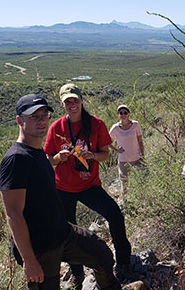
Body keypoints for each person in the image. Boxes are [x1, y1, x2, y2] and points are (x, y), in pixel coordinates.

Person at [0, 93, 122, 290]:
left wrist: (57, 158)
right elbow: (13, 214)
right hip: (40, 248)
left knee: (103, 256)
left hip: (62, 232)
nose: (41, 121)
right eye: (34, 116)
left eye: (44, 115)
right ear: (19, 120)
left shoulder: (36, 151)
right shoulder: (16, 159)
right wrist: (29, 261)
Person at [44, 84, 134, 284]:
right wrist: (58, 157)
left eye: (75, 100)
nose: (72, 104)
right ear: (62, 104)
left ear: (81, 100)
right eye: (68, 101)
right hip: (63, 188)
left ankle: (123, 263)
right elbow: (47, 158)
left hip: (89, 186)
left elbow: (105, 154)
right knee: (68, 231)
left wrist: (92, 155)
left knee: (115, 216)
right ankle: (77, 273)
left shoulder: (96, 124)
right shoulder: (56, 127)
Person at [109, 104, 145, 200]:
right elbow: (106, 141)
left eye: (125, 112)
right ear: (118, 114)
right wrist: (116, 149)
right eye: (121, 113)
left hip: (137, 158)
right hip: (123, 160)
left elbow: (140, 141)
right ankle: (123, 201)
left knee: (143, 179)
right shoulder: (115, 128)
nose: (123, 114)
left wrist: (143, 155)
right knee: (124, 182)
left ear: (128, 114)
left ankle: (142, 199)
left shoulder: (135, 125)